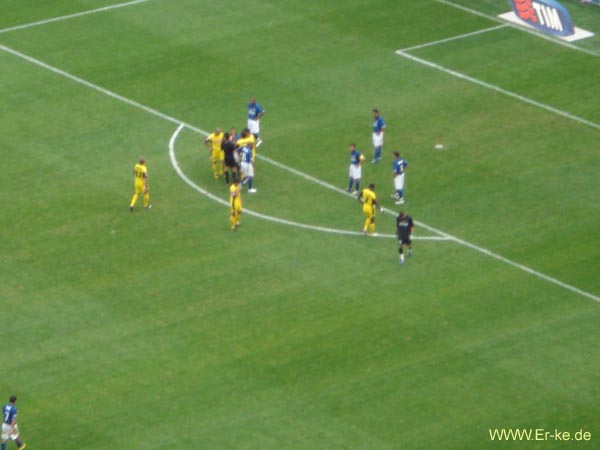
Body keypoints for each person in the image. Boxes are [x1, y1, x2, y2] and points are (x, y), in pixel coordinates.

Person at [235, 129, 257, 193]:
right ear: (249, 145)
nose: (253, 146)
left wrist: (239, 158)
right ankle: (249, 189)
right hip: (247, 164)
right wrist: (254, 166)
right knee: (251, 176)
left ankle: (240, 185)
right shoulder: (249, 151)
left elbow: (237, 150)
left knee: (245, 176)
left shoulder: (243, 147)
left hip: (242, 163)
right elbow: (251, 160)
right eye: (252, 145)